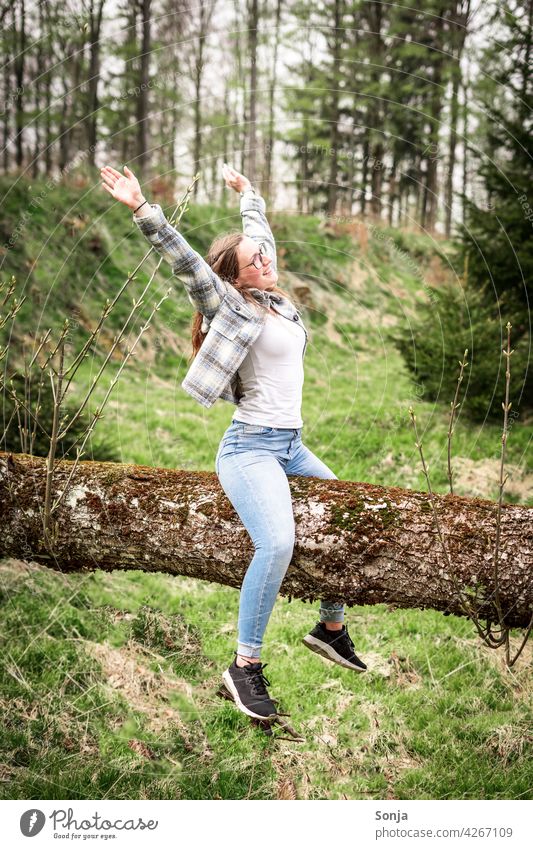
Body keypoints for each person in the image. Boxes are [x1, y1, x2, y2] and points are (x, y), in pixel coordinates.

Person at [100, 162, 367, 722]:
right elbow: (187, 263)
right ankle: (244, 667)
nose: (266, 260)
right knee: (276, 543)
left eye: (264, 256)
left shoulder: (274, 300)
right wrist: (142, 207)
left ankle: (331, 627)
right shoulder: (230, 304)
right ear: (237, 278)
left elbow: (260, 235)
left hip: (291, 444)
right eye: (254, 261)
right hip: (249, 448)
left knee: (349, 513)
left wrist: (249, 196)